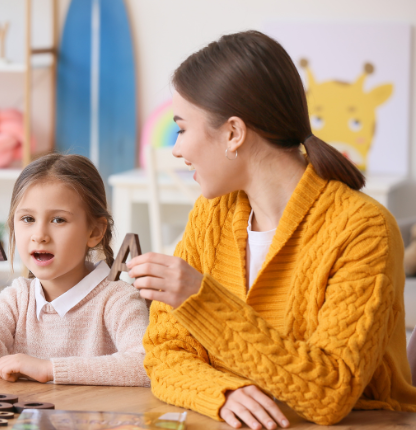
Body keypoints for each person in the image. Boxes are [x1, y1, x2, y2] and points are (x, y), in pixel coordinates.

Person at [131, 30, 416, 428]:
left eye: (182, 128)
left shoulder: (363, 229)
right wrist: (222, 392)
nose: (176, 149)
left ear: (233, 133)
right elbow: (163, 354)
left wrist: (200, 298)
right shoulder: (209, 216)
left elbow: (329, 394)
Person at [0, 153, 150, 387]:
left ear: (95, 232)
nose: (39, 235)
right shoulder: (18, 299)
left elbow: (146, 365)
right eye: (28, 219)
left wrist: (49, 368)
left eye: (58, 220)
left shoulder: (118, 299)